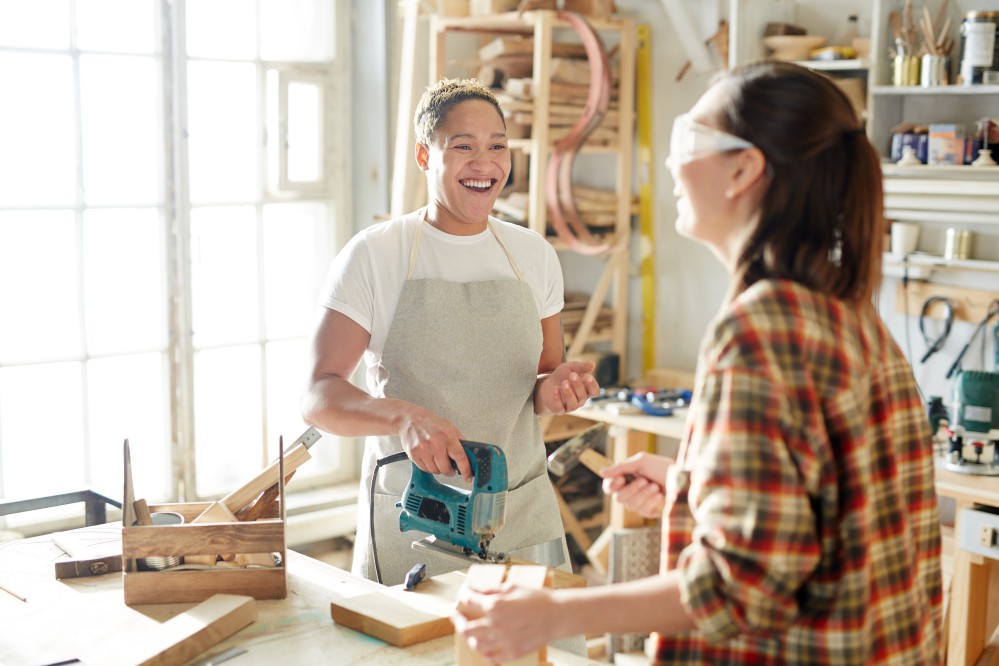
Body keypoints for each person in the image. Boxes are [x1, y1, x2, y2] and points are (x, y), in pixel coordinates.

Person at [453, 61, 943, 665]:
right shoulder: (848, 310)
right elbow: (830, 515)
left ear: (744, 168)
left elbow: (742, 588)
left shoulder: (762, 327)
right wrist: (696, 486)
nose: (670, 162)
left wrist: (554, 614)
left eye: (688, 137)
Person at [301, 77, 599, 589]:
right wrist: (405, 416)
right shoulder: (376, 254)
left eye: (497, 146)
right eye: (463, 146)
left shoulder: (533, 255)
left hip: (521, 511)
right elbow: (319, 395)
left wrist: (558, 390)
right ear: (424, 156)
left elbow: (542, 382)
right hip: (417, 518)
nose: (485, 164)